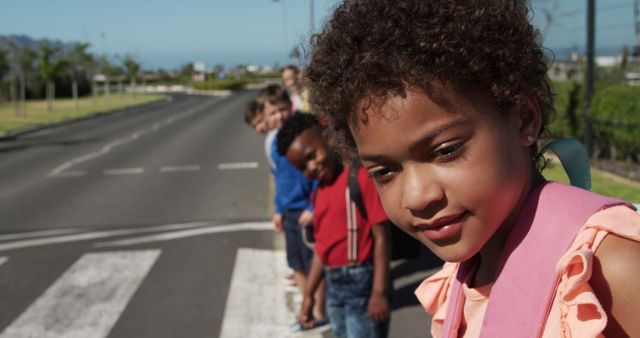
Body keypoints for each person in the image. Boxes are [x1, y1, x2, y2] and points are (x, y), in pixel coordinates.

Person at [304, 0, 640, 337]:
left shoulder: (609, 267)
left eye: (447, 151)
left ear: (524, 118)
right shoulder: (461, 274)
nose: (417, 197)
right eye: (384, 172)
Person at [277, 113, 391, 338]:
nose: (310, 168)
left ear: (327, 137)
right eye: (301, 167)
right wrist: (309, 295)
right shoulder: (319, 192)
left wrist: (379, 292)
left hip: (363, 285)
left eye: (311, 156)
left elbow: (382, 238)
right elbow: (322, 248)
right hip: (334, 286)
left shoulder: (358, 178)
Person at [253, 85, 328, 330]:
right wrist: (278, 210)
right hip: (289, 212)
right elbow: (277, 179)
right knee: (296, 263)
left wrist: (313, 206)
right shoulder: (272, 142)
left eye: (282, 110)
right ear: (264, 116)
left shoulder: (304, 134)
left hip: (308, 210)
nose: (279, 117)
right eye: (272, 113)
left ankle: (319, 310)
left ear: (290, 107)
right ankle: (307, 306)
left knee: (314, 263)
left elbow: (320, 174)